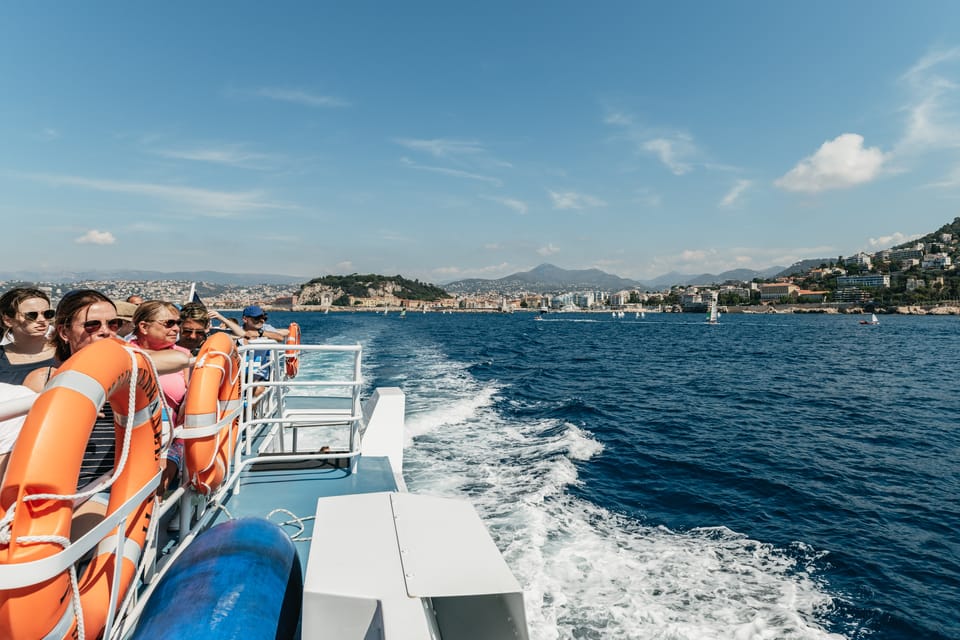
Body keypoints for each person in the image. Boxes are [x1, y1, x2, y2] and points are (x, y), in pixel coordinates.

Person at [129, 301, 192, 417]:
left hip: (172, 430)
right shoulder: (125, 353)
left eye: (179, 323)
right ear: (144, 327)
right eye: (169, 323)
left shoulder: (185, 355)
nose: (177, 329)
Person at [0, 287, 57, 385]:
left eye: (47, 314)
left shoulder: (67, 351)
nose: (41, 320)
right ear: (8, 320)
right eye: (31, 315)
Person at [177, 302, 245, 355]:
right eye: (187, 331)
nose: (193, 336)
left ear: (206, 328)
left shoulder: (211, 335)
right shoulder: (172, 338)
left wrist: (221, 318)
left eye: (199, 332)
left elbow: (240, 334)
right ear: (179, 326)